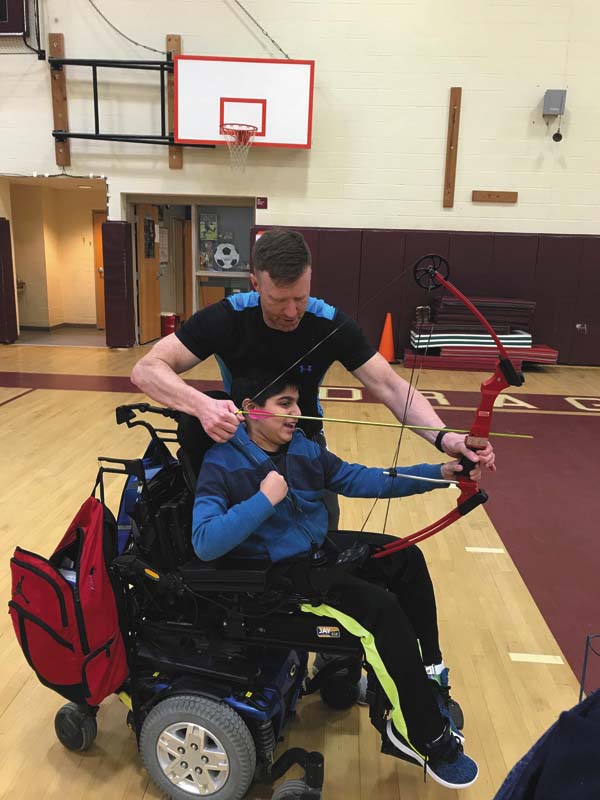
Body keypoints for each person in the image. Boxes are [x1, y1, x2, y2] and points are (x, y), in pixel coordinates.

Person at [191, 373, 479, 790]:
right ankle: (422, 735)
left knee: (404, 557)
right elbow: (205, 542)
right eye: (285, 403)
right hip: (277, 574)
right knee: (381, 610)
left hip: (318, 551)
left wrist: (441, 472)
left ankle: (430, 676)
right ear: (251, 408)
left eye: (298, 402)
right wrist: (264, 499)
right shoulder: (221, 462)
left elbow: (365, 478)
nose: (296, 412)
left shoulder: (304, 450)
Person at [130, 228, 495, 487]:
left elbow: (391, 387)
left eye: (300, 298)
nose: (292, 312)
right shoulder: (229, 316)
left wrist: (446, 439)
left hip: (306, 447)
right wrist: (202, 406)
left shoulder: (328, 322)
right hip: (243, 447)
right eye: (278, 300)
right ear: (255, 284)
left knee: (318, 536)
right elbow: (146, 370)